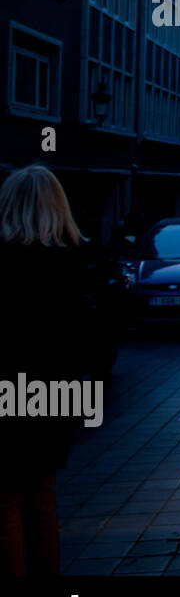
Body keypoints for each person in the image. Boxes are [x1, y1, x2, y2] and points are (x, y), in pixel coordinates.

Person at [0, 165, 94, 576]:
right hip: (57, 395)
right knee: (41, 495)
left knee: (5, 499)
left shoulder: (5, 261)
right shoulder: (73, 261)